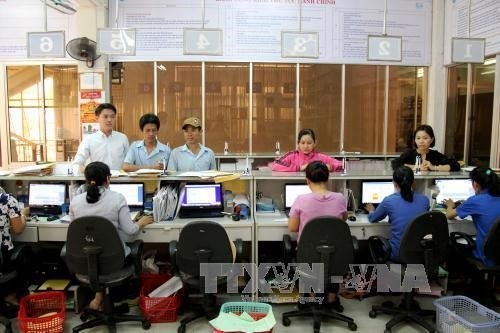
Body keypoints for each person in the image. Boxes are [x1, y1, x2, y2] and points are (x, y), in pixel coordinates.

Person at [69, 162, 153, 311]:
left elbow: (76, 230)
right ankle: (107, 296)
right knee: (127, 249)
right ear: (108, 179)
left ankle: (99, 296)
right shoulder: (117, 198)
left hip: (86, 262)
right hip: (115, 261)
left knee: (98, 254)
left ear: (86, 180)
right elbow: (131, 230)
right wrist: (141, 222)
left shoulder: (75, 201)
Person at [287, 161, 347, 307]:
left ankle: (312, 296)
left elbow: (293, 228)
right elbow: (343, 221)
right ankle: (332, 298)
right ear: (328, 179)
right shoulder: (340, 198)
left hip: (308, 256)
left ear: (307, 180)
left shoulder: (301, 199)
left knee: (311, 256)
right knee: (331, 259)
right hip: (335, 255)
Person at [366, 166, 429, 262]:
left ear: (394, 182)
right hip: (419, 253)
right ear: (413, 181)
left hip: (398, 254)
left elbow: (373, 219)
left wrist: (371, 210)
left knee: (374, 243)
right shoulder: (425, 200)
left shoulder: (389, 200)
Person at [445, 167, 500, 266]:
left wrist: (450, 205)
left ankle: (457, 278)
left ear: (476, 184)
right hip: (497, 255)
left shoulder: (475, 200)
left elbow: (449, 215)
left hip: (486, 256)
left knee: (450, 245)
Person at [73, 103, 129, 171]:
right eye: (105, 116)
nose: (109, 120)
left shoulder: (122, 138)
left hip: (120, 180)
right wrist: (90, 172)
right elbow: (77, 163)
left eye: (112, 116)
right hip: (99, 180)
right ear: (97, 118)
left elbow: (129, 162)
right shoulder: (89, 140)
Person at [391, 124, 460, 172]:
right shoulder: (409, 153)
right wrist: (416, 167)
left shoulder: (435, 155)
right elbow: (395, 164)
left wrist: (434, 168)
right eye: (418, 138)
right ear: (414, 140)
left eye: (425, 138)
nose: (421, 141)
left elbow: (456, 165)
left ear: (432, 139)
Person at [271, 128, 343, 172]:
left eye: (309, 143)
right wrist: (299, 168)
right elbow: (275, 164)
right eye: (302, 143)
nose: (306, 146)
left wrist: (330, 167)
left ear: (315, 143)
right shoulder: (292, 155)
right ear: (298, 143)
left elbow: (342, 165)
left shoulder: (321, 157)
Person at [0, 191, 26, 306]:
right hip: (2, 254)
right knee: (25, 253)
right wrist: (24, 215)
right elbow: (18, 229)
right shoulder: (7, 200)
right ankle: (11, 296)